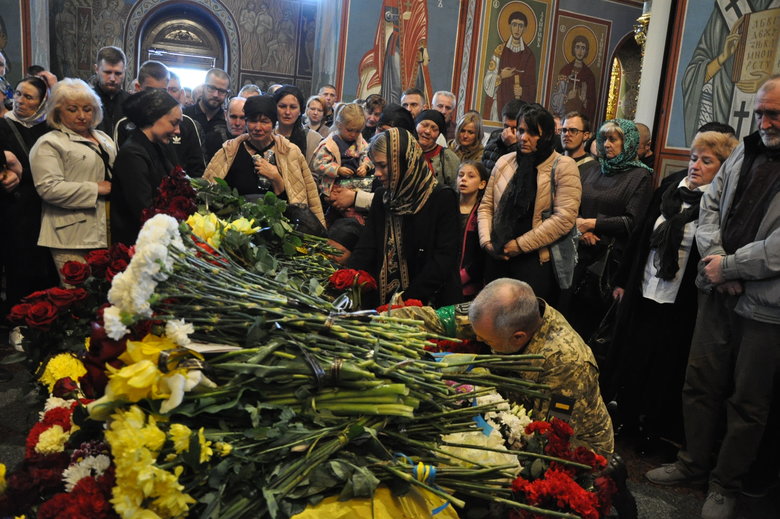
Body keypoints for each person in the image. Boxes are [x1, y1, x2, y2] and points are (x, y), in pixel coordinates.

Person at [645, 76, 780, 519]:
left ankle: (725, 485)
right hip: (716, 287)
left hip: (765, 306)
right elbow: (709, 208)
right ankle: (692, 463)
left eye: (774, 113)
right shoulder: (744, 150)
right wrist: (719, 261)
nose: (765, 121)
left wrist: (733, 267)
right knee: (699, 382)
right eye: (761, 111)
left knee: (748, 400)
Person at [610, 130, 738, 451]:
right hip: (645, 290)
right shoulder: (670, 189)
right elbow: (640, 237)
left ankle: (652, 427)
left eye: (706, 161)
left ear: (722, 168)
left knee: (666, 365)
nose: (695, 166)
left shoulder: (722, 204)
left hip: (680, 300)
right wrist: (623, 280)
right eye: (694, 158)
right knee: (633, 356)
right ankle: (624, 416)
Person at [469, 278, 614, 457]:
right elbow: (448, 320)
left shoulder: (565, 362)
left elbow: (548, 437)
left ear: (518, 337)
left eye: (486, 341)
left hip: (577, 450)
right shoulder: (503, 312)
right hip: (518, 413)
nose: (478, 341)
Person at [566, 119, 653, 362]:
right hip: (579, 253)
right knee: (570, 323)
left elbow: (632, 222)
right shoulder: (594, 168)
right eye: (603, 139)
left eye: (614, 139)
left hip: (609, 264)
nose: (606, 144)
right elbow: (574, 205)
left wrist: (593, 224)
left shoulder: (640, 176)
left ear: (629, 143)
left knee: (594, 333)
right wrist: (582, 229)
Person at [478, 103, 581, 304]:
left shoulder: (563, 166)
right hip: (498, 255)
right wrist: (487, 242)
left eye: (533, 133)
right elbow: (486, 205)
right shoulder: (505, 161)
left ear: (548, 136)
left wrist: (519, 245)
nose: (524, 138)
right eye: (521, 131)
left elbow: (564, 218)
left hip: (534, 260)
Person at [348, 127, 461, 307]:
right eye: (375, 165)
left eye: (383, 165)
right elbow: (367, 246)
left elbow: (443, 260)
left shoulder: (441, 198)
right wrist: (347, 277)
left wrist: (408, 297)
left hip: (427, 302)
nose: (376, 173)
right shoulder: (383, 197)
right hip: (385, 301)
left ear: (404, 162)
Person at [29, 78, 116, 279]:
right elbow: (48, 189)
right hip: (69, 237)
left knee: (104, 298)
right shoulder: (49, 143)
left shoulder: (104, 138)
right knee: (77, 298)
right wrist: (96, 188)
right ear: (57, 111)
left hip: (107, 230)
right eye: (72, 109)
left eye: (87, 109)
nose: (82, 116)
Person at [203, 95, 325, 226]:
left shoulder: (290, 152)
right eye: (252, 120)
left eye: (264, 121)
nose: (257, 127)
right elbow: (207, 192)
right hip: (233, 227)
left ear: (273, 123)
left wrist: (276, 178)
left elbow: (309, 199)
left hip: (280, 228)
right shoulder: (229, 150)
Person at [0, 76, 57, 316]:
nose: (20, 101)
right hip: (14, 207)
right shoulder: (3, 124)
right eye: (19, 94)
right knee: (18, 262)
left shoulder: (49, 128)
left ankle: (43, 319)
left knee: (43, 265)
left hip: (43, 206)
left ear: (42, 102)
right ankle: (18, 318)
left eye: (29, 97)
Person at [110, 89, 182, 246]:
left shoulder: (158, 146)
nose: (178, 131)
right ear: (153, 117)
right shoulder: (132, 154)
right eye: (174, 123)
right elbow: (144, 209)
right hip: (137, 244)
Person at [113, 61, 205, 178]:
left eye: (162, 92)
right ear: (138, 88)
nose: (156, 98)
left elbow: (197, 169)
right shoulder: (125, 125)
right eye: (151, 91)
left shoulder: (185, 124)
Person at [327, 103, 416, 217]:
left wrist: (355, 198)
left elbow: (401, 201)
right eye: (380, 130)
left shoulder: (411, 166)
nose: (381, 137)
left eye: (389, 134)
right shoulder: (366, 151)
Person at [310, 103, 371, 200]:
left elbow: (369, 156)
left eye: (358, 131)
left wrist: (365, 166)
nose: (353, 134)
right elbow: (318, 164)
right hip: (333, 187)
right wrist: (337, 169)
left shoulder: (361, 142)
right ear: (339, 125)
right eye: (350, 130)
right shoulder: (330, 144)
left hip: (356, 186)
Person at [483, 11, 537, 120]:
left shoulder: (529, 55)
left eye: (520, 26)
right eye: (514, 25)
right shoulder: (500, 50)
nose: (517, 29)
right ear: (509, 26)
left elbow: (532, 86)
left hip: (520, 110)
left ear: (525, 28)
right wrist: (501, 76)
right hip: (499, 102)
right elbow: (487, 82)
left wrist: (522, 91)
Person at [457, 161, 489, 300]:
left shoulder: (483, 212)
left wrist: (464, 276)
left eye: (471, 176)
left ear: (482, 184)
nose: (463, 179)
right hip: (445, 281)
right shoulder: (448, 207)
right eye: (460, 175)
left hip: (471, 285)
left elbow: (482, 255)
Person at [551, 35, 597, 123]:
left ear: (586, 51)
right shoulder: (565, 70)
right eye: (577, 47)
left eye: (583, 48)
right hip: (563, 118)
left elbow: (592, 104)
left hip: (579, 119)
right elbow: (555, 99)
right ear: (573, 48)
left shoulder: (589, 75)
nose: (580, 51)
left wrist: (584, 101)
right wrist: (567, 97)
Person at [273, 85, 322, 165]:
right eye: (282, 106)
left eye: (293, 107)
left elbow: (314, 175)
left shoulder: (313, 139)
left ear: (300, 111)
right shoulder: (267, 135)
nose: (287, 112)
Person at [414, 109, 459, 188]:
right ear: (416, 126)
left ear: (439, 134)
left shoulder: (449, 158)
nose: (427, 131)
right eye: (424, 125)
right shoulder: (405, 150)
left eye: (434, 129)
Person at [92, 46, 129, 135]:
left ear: (124, 71)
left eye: (118, 73)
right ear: (96, 69)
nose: (112, 78)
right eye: (107, 72)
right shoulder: (85, 100)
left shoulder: (131, 102)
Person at [184, 68, 230, 138]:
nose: (216, 95)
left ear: (227, 94)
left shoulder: (228, 121)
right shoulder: (185, 115)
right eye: (211, 88)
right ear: (203, 87)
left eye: (222, 91)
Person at [482, 99, 525, 173]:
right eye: (506, 126)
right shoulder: (493, 141)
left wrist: (513, 146)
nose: (508, 132)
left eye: (514, 128)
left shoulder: (528, 146)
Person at [204, 96, 246, 161]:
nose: (237, 123)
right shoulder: (211, 139)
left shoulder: (255, 141)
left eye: (242, 118)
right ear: (225, 115)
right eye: (233, 117)